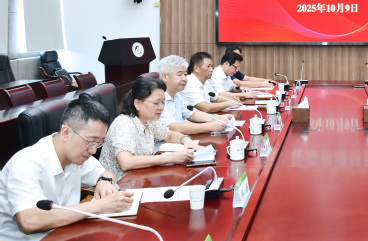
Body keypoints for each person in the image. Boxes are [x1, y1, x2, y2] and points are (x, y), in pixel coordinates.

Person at [0, 97, 134, 240]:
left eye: (99, 143)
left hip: (64, 232)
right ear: (66, 133)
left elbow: (105, 173)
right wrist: (100, 206)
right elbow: (30, 221)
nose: (93, 150)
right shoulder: (25, 163)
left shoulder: (77, 155)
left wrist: (104, 181)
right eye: (91, 141)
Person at [99, 76, 201, 181]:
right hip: (120, 184)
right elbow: (126, 162)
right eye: (156, 103)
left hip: (141, 178)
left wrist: (186, 140)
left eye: (163, 102)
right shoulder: (124, 124)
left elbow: (169, 135)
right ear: (137, 104)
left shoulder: (148, 120)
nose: (161, 107)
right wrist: (172, 157)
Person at [158, 55, 236, 134]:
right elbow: (174, 127)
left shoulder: (176, 95)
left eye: (185, 74)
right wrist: (210, 126)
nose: (184, 79)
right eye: (179, 75)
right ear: (165, 77)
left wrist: (216, 118)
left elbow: (192, 114)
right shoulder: (158, 99)